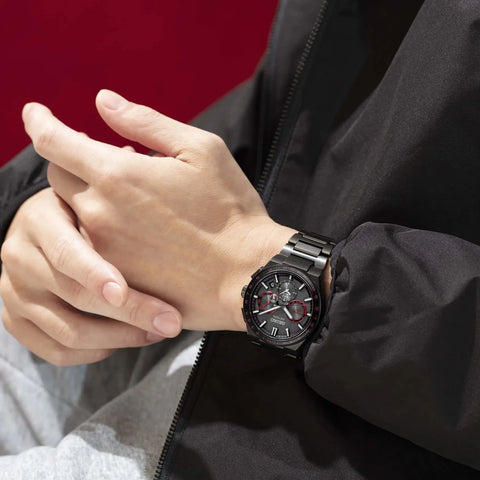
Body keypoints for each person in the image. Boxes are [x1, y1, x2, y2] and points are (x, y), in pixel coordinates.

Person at [1, 0, 480, 478]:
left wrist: (254, 262)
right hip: (208, 326)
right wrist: (57, 204)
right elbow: (291, 129)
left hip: (346, 432)